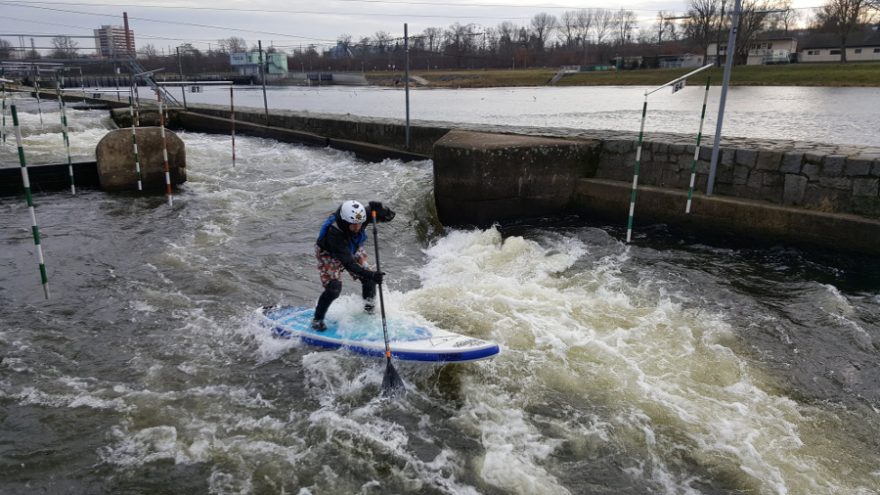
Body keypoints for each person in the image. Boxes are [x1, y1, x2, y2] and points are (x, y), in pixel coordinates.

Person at [312, 199, 396, 331]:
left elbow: (390, 217)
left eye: (360, 224)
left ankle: (369, 314)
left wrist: (383, 210)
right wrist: (372, 274)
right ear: (345, 222)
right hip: (329, 253)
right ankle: (317, 319)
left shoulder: (362, 215)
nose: (358, 228)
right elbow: (349, 264)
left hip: (353, 246)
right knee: (334, 289)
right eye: (353, 225)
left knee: (369, 281)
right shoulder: (333, 233)